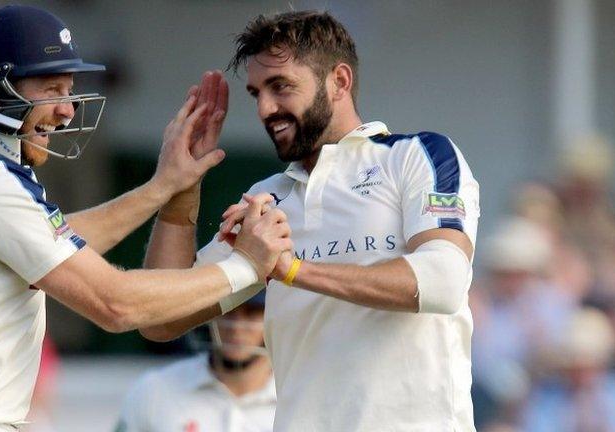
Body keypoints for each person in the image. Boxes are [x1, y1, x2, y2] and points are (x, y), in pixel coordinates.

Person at [0, 5, 292, 429]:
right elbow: (114, 304)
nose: (67, 109)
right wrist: (245, 266)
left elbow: (51, 239)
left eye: (69, 89)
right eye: (52, 87)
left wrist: (160, 188)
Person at [141, 10, 480, 431]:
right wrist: (180, 189)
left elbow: (443, 281)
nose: (266, 108)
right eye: (256, 93)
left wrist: (291, 269)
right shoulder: (267, 200)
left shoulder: (415, 155)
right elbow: (159, 318)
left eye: (281, 86)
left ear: (339, 81)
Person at [115, 291, 275, 432]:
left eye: (252, 312)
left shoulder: (294, 397)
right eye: (228, 310)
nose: (236, 328)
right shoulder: (155, 390)